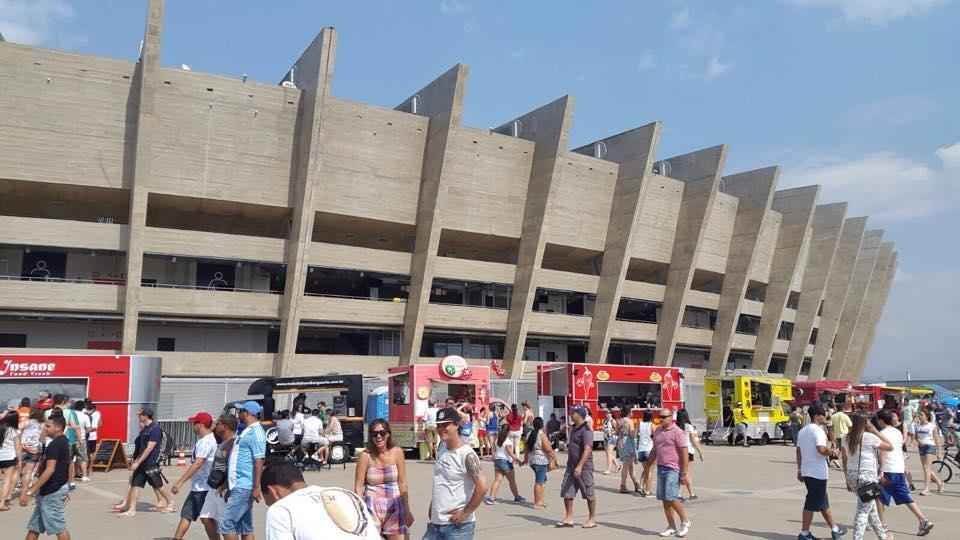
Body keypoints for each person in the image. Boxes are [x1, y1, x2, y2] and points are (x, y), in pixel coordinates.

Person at [264, 461, 381, 540]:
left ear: (273, 492)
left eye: (269, 502)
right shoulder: (346, 494)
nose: (271, 506)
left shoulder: (280, 509)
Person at [424, 406, 486, 540]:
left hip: (457, 528)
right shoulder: (441, 448)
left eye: (446, 425)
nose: (441, 429)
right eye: (439, 425)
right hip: (436, 524)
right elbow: (442, 481)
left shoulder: (467, 454)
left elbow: (482, 487)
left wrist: (465, 513)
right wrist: (433, 506)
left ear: (457, 425)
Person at [874, 409, 934, 536]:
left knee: (879, 498)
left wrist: (881, 470)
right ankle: (923, 520)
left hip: (888, 469)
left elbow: (883, 452)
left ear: (880, 420)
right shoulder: (897, 432)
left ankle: (882, 525)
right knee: (905, 496)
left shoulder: (882, 433)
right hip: (898, 468)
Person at [354, 419, 413, 540]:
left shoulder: (397, 452)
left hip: (394, 504)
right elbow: (358, 487)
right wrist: (359, 512)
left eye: (382, 432)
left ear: (388, 434)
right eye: (374, 434)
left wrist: (407, 510)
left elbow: (402, 483)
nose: (379, 436)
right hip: (371, 506)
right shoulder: (365, 456)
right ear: (370, 436)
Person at [795, 404, 845, 540]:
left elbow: (798, 451)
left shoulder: (803, 431)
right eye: (823, 415)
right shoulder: (818, 431)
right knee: (811, 503)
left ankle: (835, 529)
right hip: (817, 472)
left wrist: (799, 469)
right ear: (817, 416)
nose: (825, 417)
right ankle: (804, 533)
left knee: (823, 502)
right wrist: (833, 452)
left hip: (807, 470)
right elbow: (821, 449)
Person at [19, 415, 71, 540]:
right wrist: (67, 486)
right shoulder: (64, 441)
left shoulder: (55, 445)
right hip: (53, 489)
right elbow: (69, 466)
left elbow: (50, 469)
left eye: (48, 426)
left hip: (52, 491)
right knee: (34, 527)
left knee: (58, 527)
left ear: (58, 428)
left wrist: (31, 491)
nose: (45, 428)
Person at [115, 408, 175, 516]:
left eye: (140, 415)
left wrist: (138, 462)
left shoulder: (155, 429)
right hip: (142, 463)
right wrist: (136, 460)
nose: (138, 417)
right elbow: (141, 447)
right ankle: (132, 510)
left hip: (150, 463)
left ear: (146, 416)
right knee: (135, 485)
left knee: (158, 486)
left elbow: (149, 448)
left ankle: (171, 503)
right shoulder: (145, 429)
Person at [222, 400, 267, 540]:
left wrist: (256, 486)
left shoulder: (257, 432)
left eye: (240, 411)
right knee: (244, 526)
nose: (238, 414)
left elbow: (259, 460)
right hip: (238, 484)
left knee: (227, 524)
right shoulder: (247, 430)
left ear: (247, 413)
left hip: (244, 485)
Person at [170, 412, 219, 540]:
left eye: (195, 423)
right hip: (200, 486)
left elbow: (198, 463)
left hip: (203, 487)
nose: (193, 425)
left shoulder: (206, 442)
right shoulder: (206, 440)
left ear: (201, 425)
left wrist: (180, 482)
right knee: (190, 515)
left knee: (204, 519)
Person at [844, 414, 892, 540]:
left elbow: (844, 458)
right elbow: (890, 446)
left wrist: (846, 479)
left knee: (871, 509)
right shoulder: (870, 437)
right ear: (866, 424)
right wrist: (875, 430)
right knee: (863, 511)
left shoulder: (846, 438)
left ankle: (883, 536)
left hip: (853, 476)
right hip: (868, 478)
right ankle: (857, 537)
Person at [649, 408, 690, 538]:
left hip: (673, 468)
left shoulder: (677, 432)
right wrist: (647, 467)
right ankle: (671, 526)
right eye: (660, 416)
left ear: (671, 417)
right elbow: (655, 450)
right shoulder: (658, 431)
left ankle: (685, 521)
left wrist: (684, 473)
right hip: (661, 467)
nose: (661, 419)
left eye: (664, 417)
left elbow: (684, 453)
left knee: (671, 497)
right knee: (664, 499)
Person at [198, 414, 238, 536]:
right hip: (214, 488)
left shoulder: (234, 445)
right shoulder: (223, 443)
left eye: (218, 424)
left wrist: (226, 485)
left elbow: (234, 468)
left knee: (226, 525)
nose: (215, 426)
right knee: (206, 517)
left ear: (225, 426)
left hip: (224, 489)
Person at [557, 406, 596, 529]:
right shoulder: (574, 428)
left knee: (589, 493)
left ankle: (592, 519)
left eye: (573, 412)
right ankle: (568, 517)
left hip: (584, 467)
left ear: (579, 415)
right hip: (571, 465)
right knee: (567, 491)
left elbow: (588, 449)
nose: (570, 414)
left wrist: (579, 466)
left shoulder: (586, 430)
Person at [484, 424, 525, 505]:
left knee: (497, 480)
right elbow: (510, 453)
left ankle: (491, 498)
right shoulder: (507, 441)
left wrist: (493, 458)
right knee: (512, 481)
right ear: (508, 431)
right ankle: (517, 497)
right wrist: (518, 460)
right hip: (505, 462)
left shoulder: (497, 440)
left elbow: (494, 451)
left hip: (497, 461)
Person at [523, 417, 557, 509]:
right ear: (542, 425)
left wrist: (525, 459)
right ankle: (537, 502)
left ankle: (540, 500)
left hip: (532, 460)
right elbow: (548, 449)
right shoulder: (541, 435)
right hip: (541, 461)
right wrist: (554, 458)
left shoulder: (529, 434)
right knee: (539, 482)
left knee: (542, 480)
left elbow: (526, 448)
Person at [913, 409, 944, 495]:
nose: (920, 416)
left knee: (927, 468)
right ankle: (939, 482)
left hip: (930, 446)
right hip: (921, 447)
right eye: (919, 415)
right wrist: (919, 441)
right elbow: (915, 437)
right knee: (926, 468)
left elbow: (937, 439)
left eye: (922, 415)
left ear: (927, 416)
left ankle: (927, 489)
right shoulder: (917, 425)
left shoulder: (932, 426)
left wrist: (939, 452)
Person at [676, 409, 703, 500]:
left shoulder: (675, 426)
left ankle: (683, 493)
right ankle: (687, 493)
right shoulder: (689, 427)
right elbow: (693, 441)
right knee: (686, 473)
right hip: (688, 451)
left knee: (681, 472)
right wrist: (700, 452)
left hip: (678, 451)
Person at [19, 409, 44, 500]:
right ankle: (24, 493)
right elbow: (42, 438)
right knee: (28, 472)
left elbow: (17, 430)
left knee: (18, 470)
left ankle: (13, 490)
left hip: (23, 448)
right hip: (34, 449)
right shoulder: (42, 425)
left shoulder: (27, 422)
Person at [0, 411, 21, 511]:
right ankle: (2, 503)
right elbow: (17, 447)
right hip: (9, 458)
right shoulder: (14, 431)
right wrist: (19, 460)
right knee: (6, 480)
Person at [618, 417, 641, 494]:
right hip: (628, 444)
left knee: (630, 466)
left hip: (622, 443)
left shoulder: (620, 420)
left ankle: (636, 484)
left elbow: (617, 431)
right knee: (627, 466)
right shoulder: (629, 421)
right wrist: (637, 428)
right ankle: (623, 485)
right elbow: (632, 435)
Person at [70, 400, 90, 483]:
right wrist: (84, 431)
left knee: (70, 458)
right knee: (83, 458)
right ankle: (84, 476)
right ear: (83, 407)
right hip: (81, 438)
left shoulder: (70, 414)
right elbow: (88, 428)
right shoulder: (85, 416)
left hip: (70, 438)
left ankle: (72, 476)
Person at [636, 410, 655, 497]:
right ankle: (648, 490)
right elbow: (656, 438)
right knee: (650, 471)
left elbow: (635, 435)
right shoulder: (652, 425)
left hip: (641, 450)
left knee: (646, 470)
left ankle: (641, 486)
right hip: (649, 450)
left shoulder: (639, 424)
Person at [831, 404, 852, 471]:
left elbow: (831, 426)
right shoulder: (845, 416)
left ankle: (834, 457)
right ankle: (837, 459)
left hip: (837, 435)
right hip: (845, 435)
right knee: (845, 450)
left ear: (836, 409)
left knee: (839, 448)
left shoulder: (833, 416)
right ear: (842, 409)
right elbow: (850, 425)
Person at [84, 401, 101, 476]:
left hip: (84, 435)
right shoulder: (97, 413)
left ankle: (84, 470)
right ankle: (90, 469)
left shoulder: (83, 412)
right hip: (93, 435)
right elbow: (100, 423)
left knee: (85, 453)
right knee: (92, 453)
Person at [601, 408, 619, 475]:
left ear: (611, 414)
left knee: (609, 453)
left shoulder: (613, 421)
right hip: (606, 438)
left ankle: (608, 469)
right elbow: (604, 428)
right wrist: (602, 429)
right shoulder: (604, 421)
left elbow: (617, 430)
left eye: (609, 413)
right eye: (606, 413)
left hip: (612, 438)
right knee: (609, 454)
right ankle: (617, 465)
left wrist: (612, 432)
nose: (607, 414)